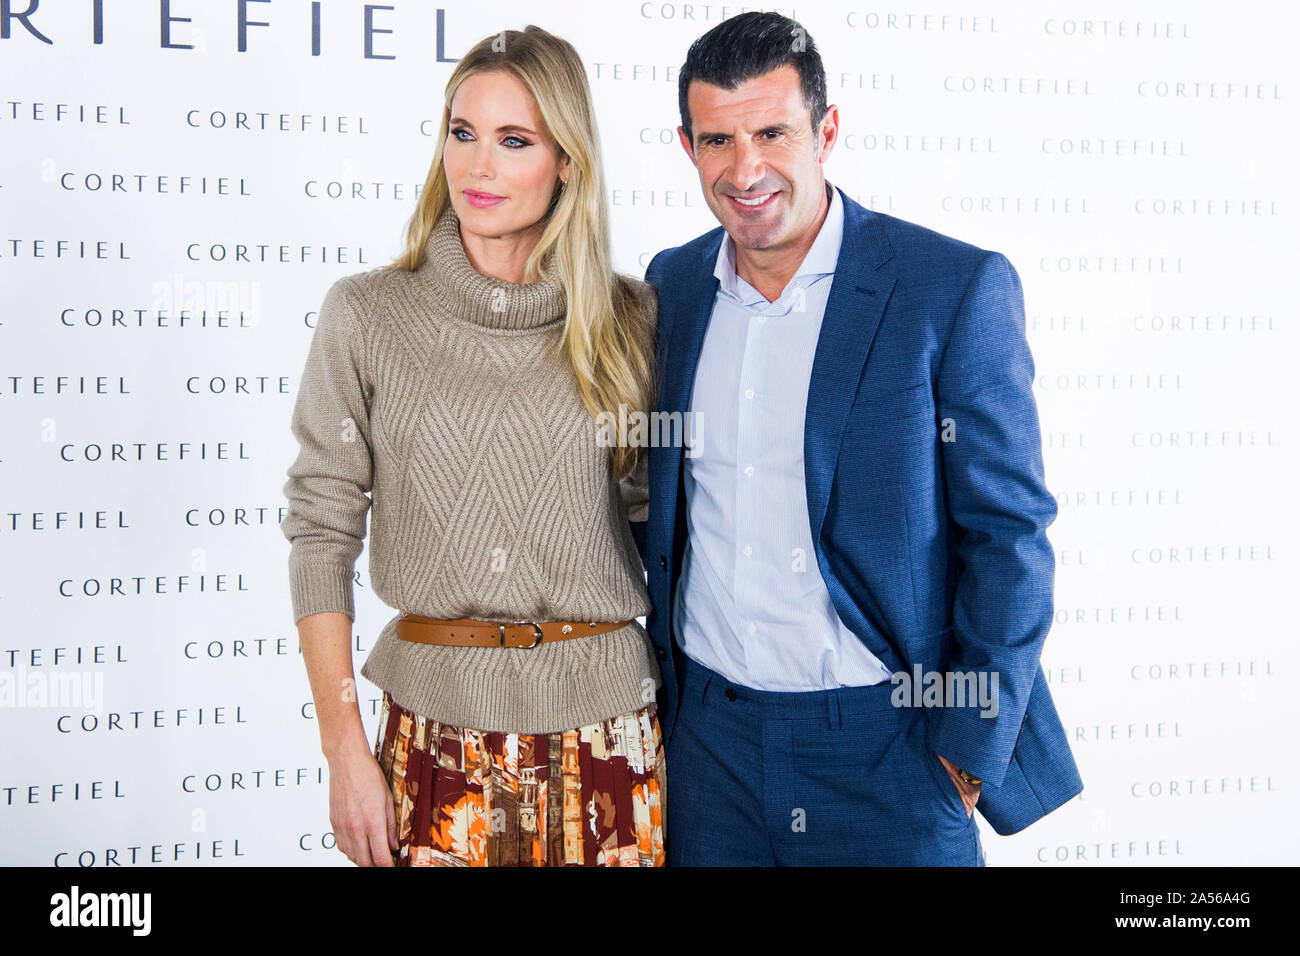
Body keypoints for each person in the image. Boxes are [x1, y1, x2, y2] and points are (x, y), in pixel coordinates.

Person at [637, 11, 1083, 865]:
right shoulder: (673, 286)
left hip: (892, 751)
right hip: (710, 757)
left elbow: (1010, 540)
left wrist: (966, 753)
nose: (746, 168)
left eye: (773, 132)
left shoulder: (948, 288)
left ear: (827, 130)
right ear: (688, 146)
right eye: (719, 140)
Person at [280, 25, 664, 867]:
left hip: (611, 744)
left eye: (513, 141)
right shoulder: (368, 314)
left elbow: (665, 533)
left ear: (567, 161)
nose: (477, 166)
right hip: (432, 735)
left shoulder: (631, 320)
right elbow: (320, 532)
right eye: (463, 133)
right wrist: (343, 746)